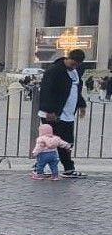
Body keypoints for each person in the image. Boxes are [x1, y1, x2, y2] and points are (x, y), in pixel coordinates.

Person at [38, 48, 87, 178]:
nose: (74, 67)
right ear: (68, 58)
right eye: (72, 64)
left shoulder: (75, 72)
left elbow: (75, 90)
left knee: (67, 142)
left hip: (68, 114)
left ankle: (68, 169)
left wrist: (81, 105)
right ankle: (41, 167)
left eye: (77, 65)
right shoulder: (54, 71)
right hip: (53, 114)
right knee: (50, 142)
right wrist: (49, 110)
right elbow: (46, 91)